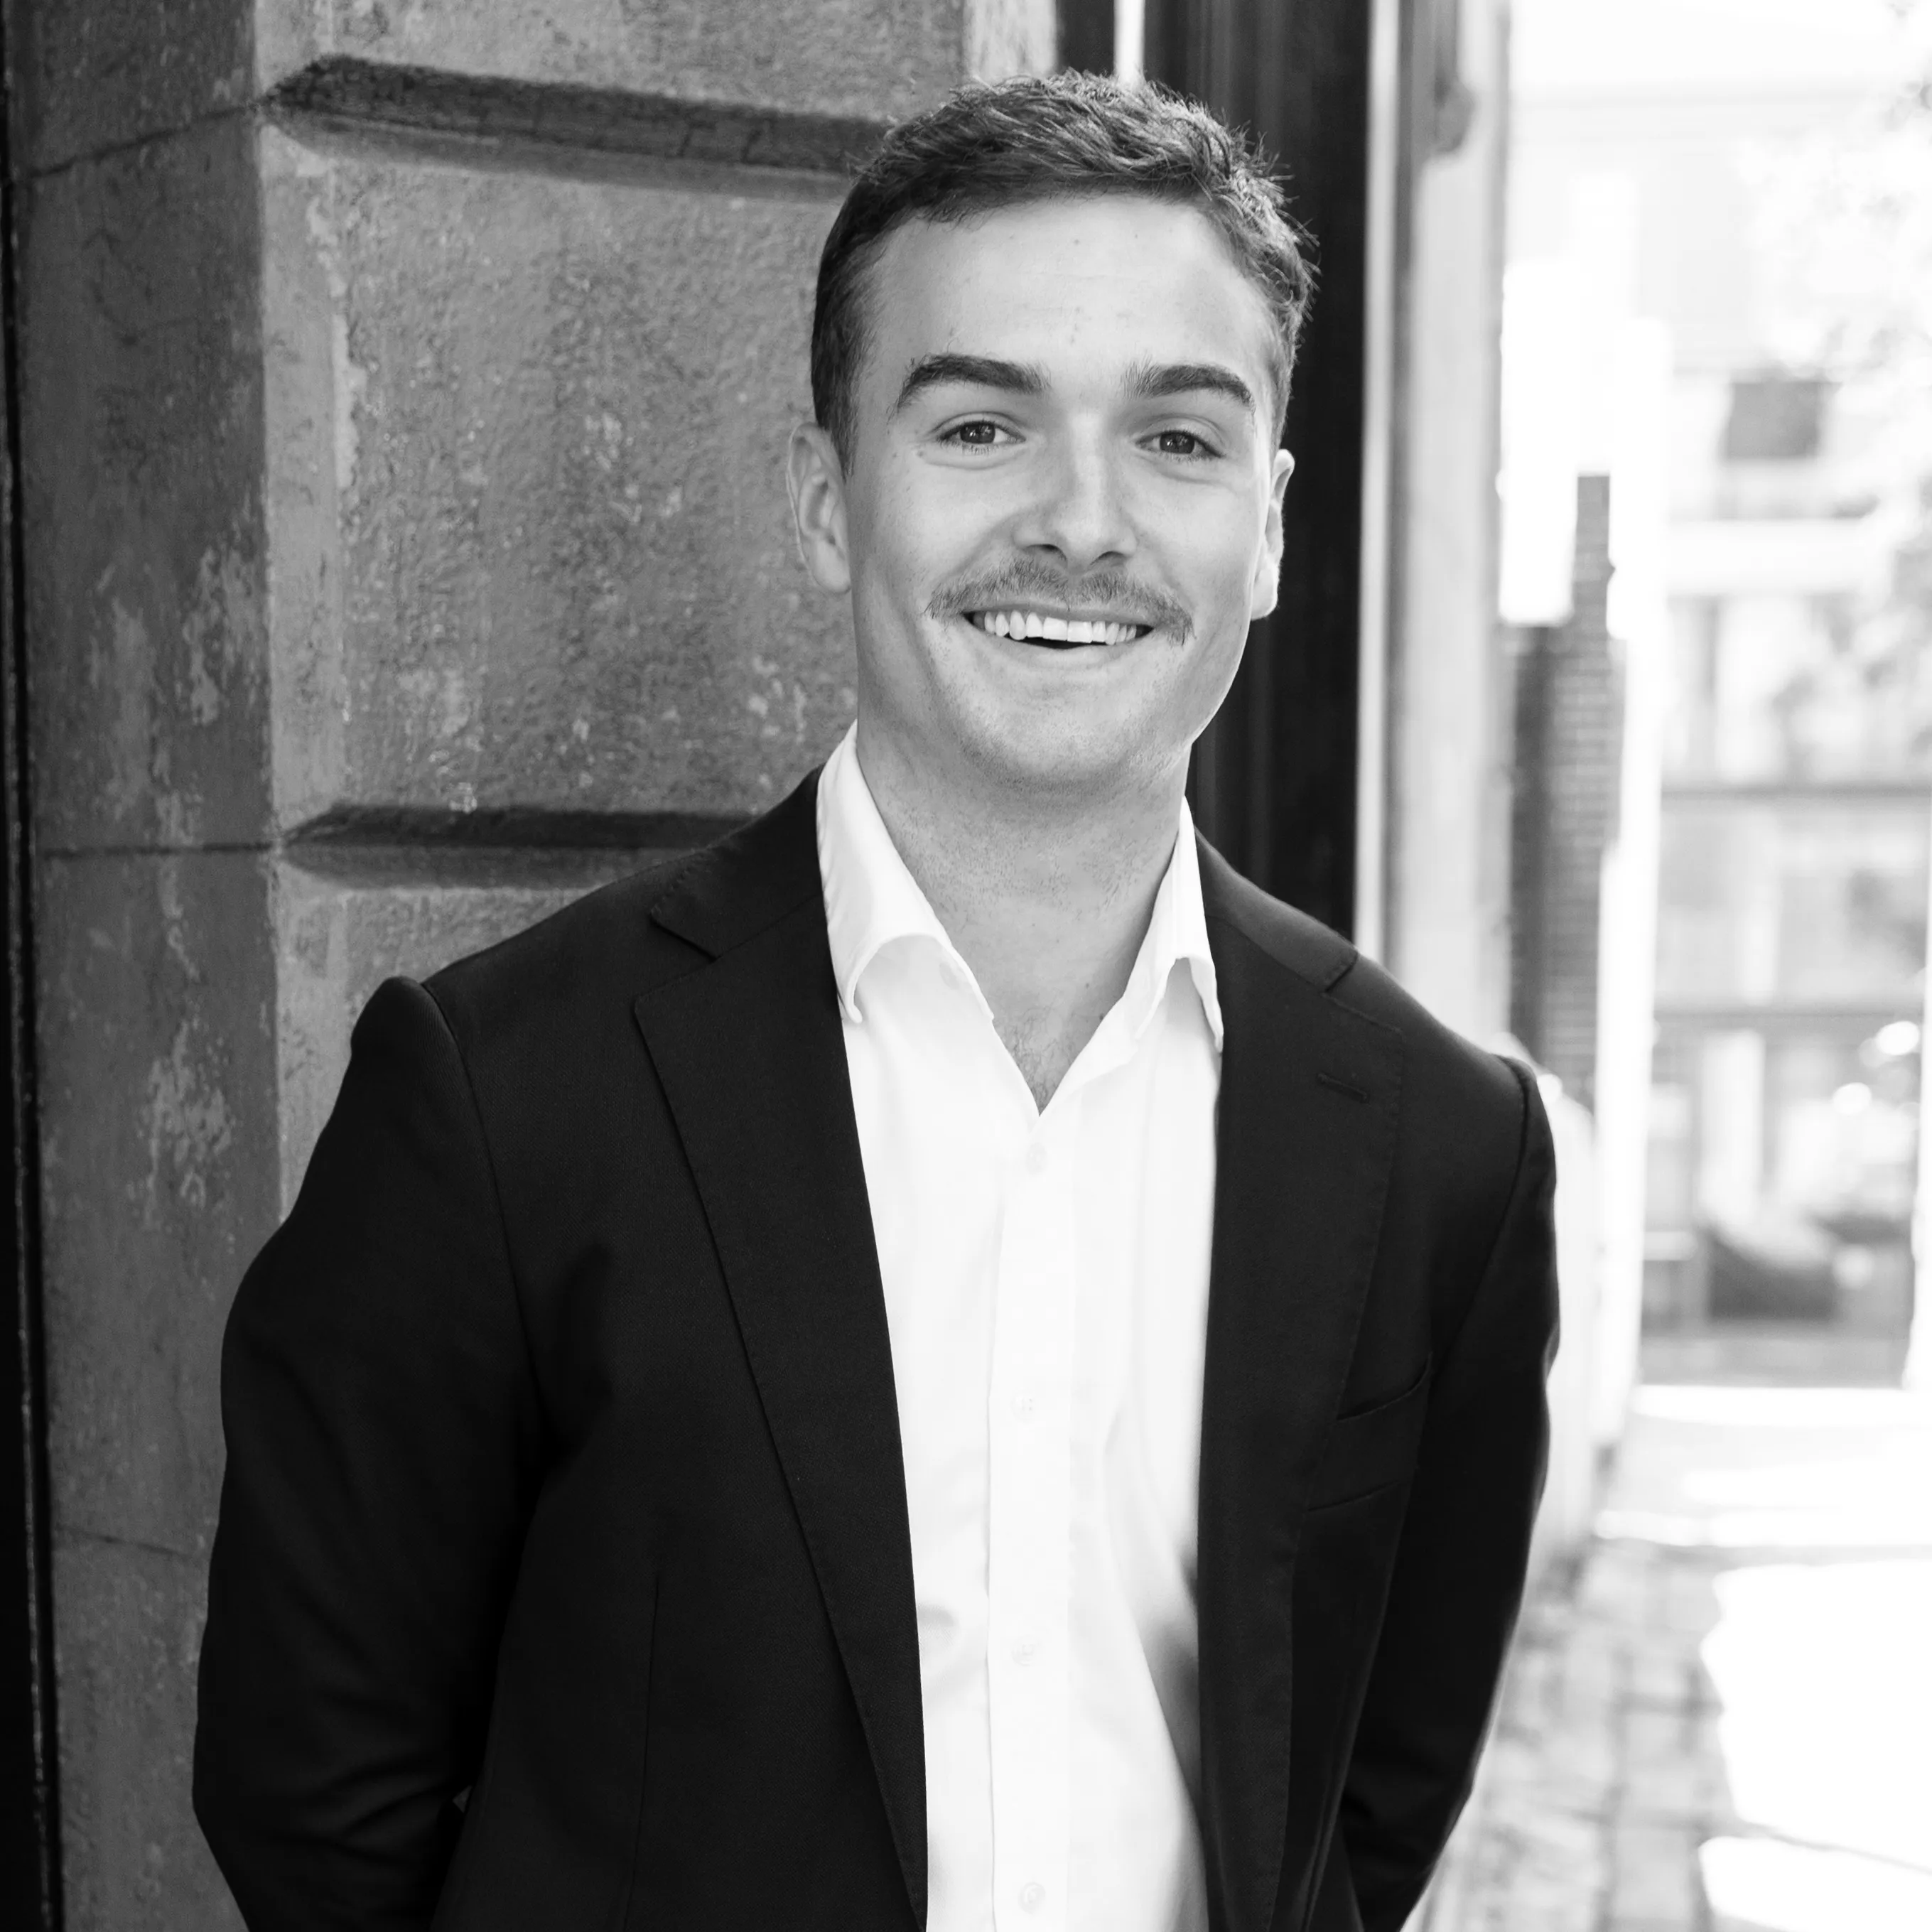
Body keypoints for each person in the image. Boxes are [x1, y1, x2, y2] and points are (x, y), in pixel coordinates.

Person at [193, 72, 1557, 1932]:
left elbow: (1369, 1795)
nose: (1082, 522)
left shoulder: (1442, 1141)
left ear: (1271, 527)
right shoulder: (502, 1098)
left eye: (1175, 436)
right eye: (982, 422)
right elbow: (315, 1788)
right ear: (827, 499)